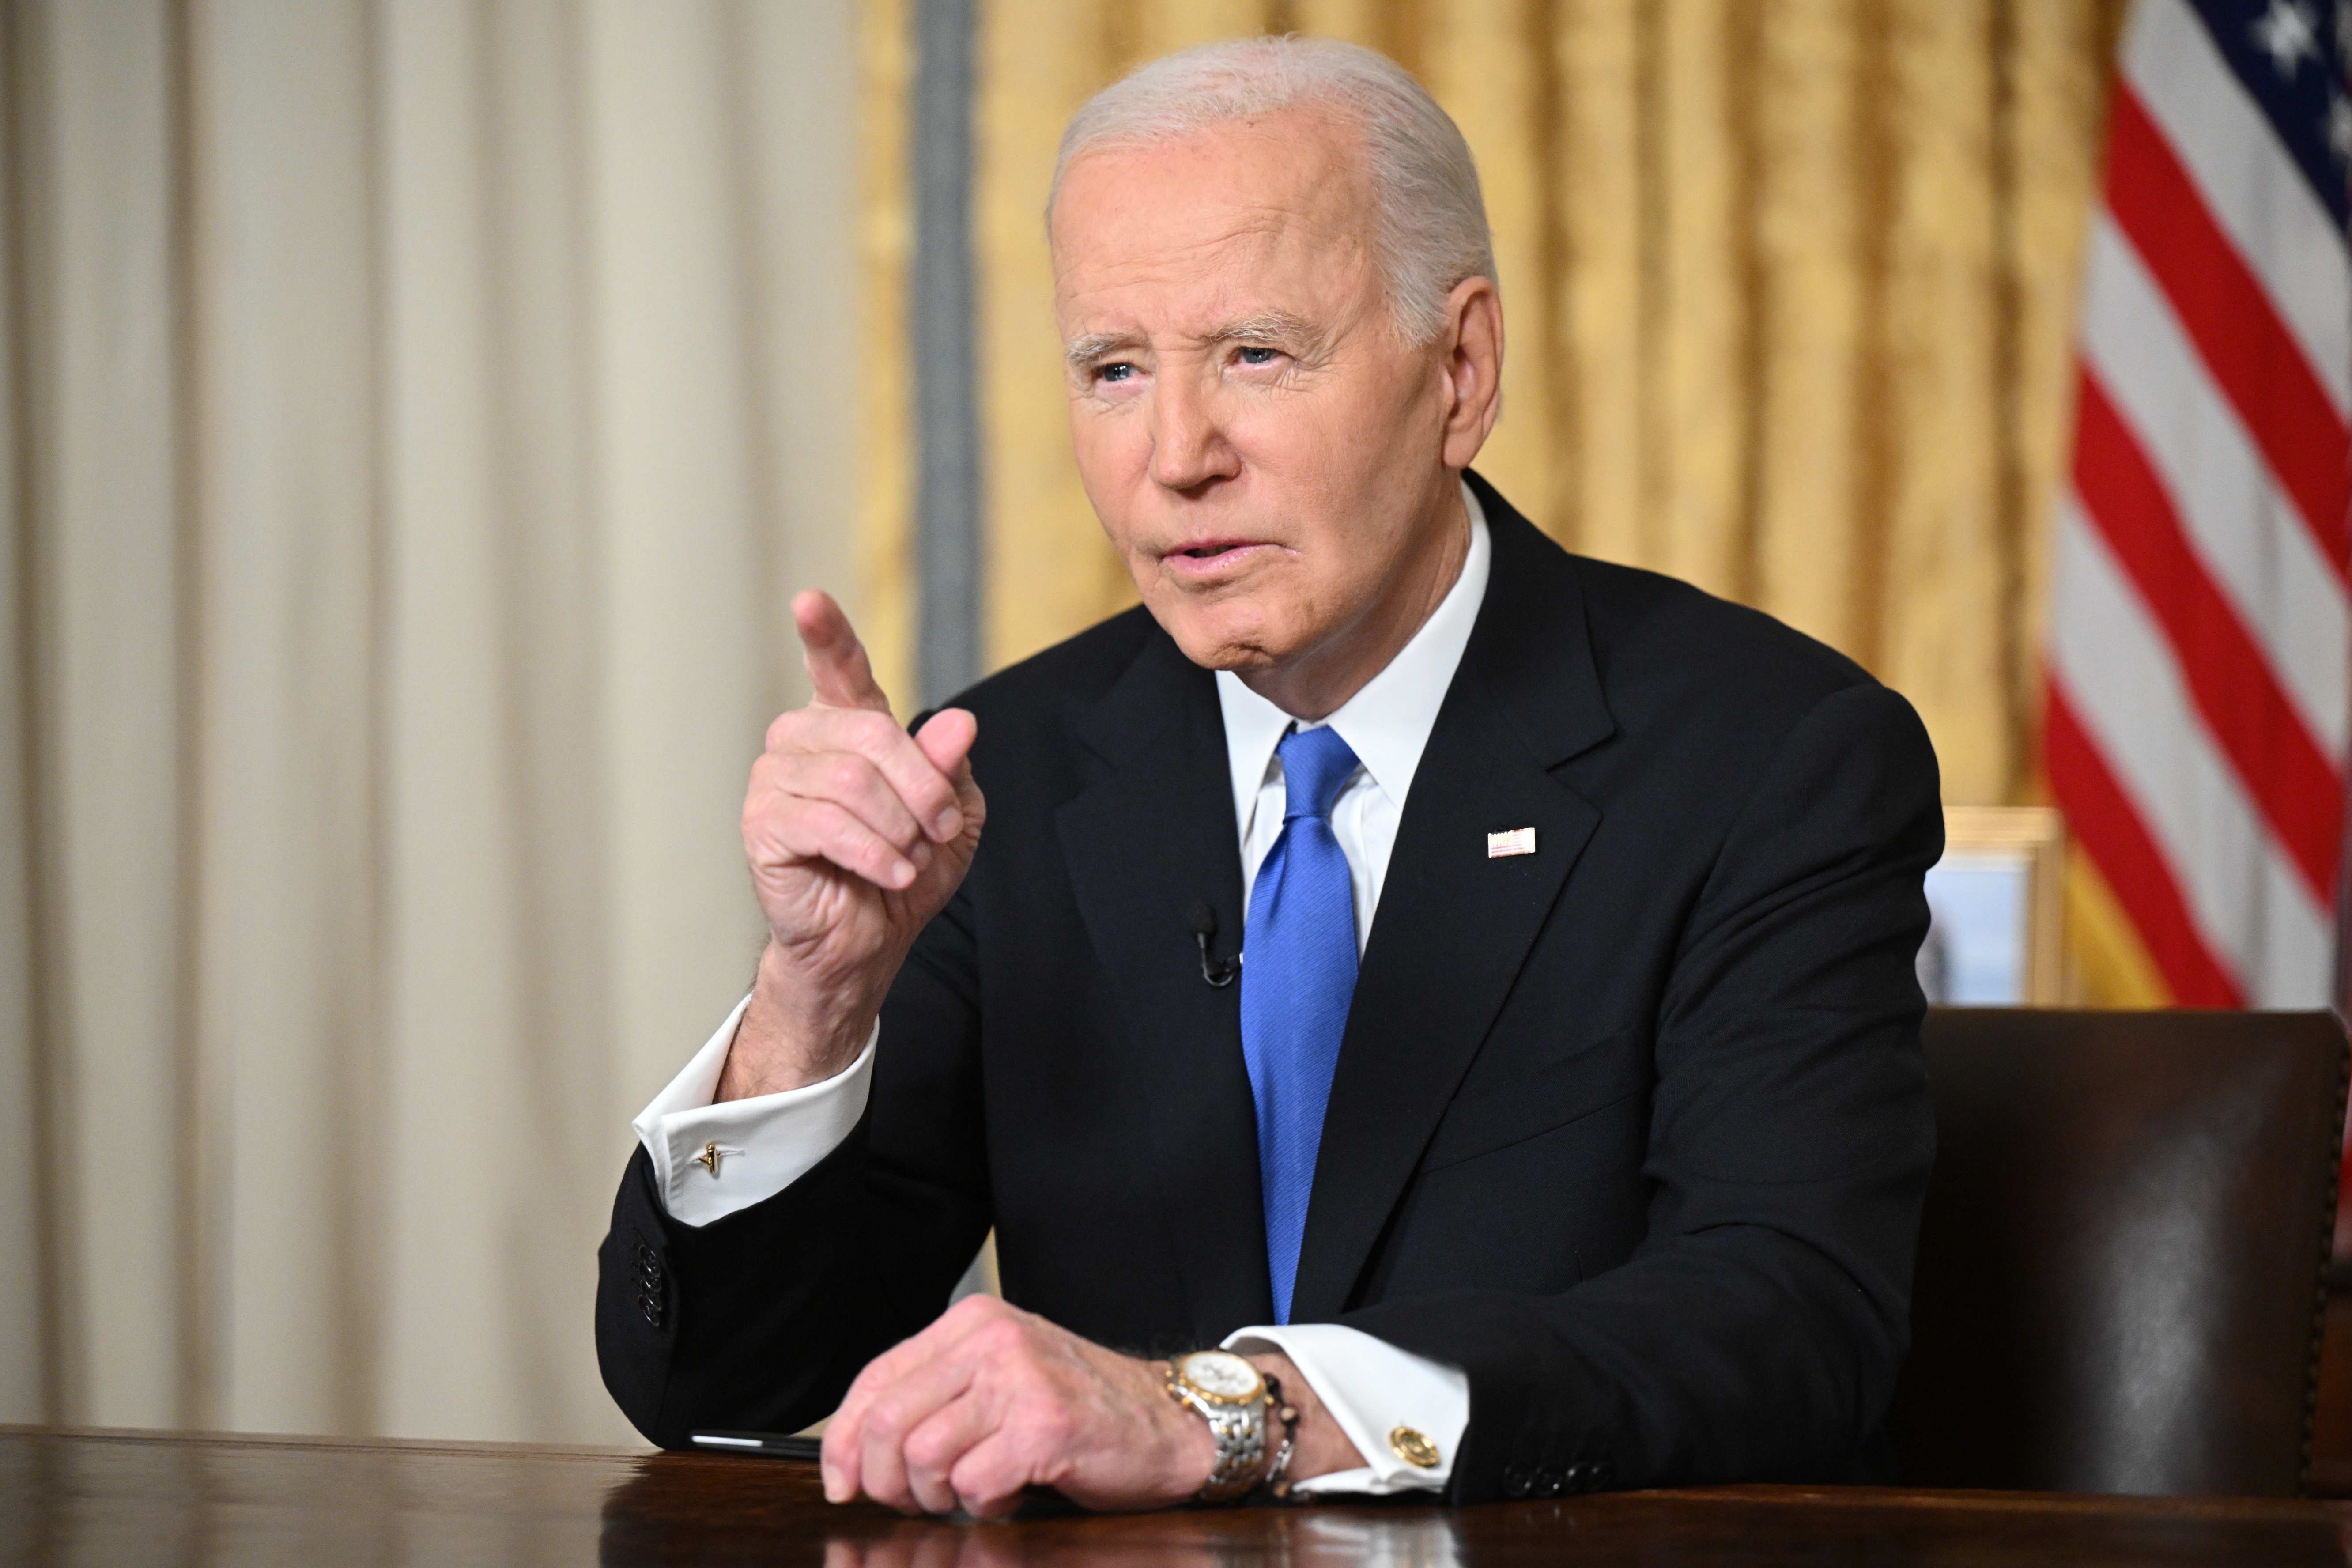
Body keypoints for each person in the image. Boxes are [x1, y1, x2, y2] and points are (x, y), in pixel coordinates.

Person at [595, 35, 1940, 1518]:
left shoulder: (1768, 757)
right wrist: (813, 1003)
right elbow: (714, 1390)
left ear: (1462, 370)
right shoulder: (1012, 777)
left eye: (1255, 354)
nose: (1176, 456)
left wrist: (1224, 1414)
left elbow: (1794, 1319)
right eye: (1115, 370)